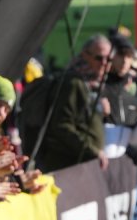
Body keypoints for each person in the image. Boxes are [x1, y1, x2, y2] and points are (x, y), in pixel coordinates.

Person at [19, 34, 111, 172]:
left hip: (80, 164)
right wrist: (92, 150)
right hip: (65, 166)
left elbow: (82, 121)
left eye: (108, 59)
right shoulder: (73, 82)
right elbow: (62, 125)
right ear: (85, 55)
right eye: (99, 58)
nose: (104, 63)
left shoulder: (90, 83)